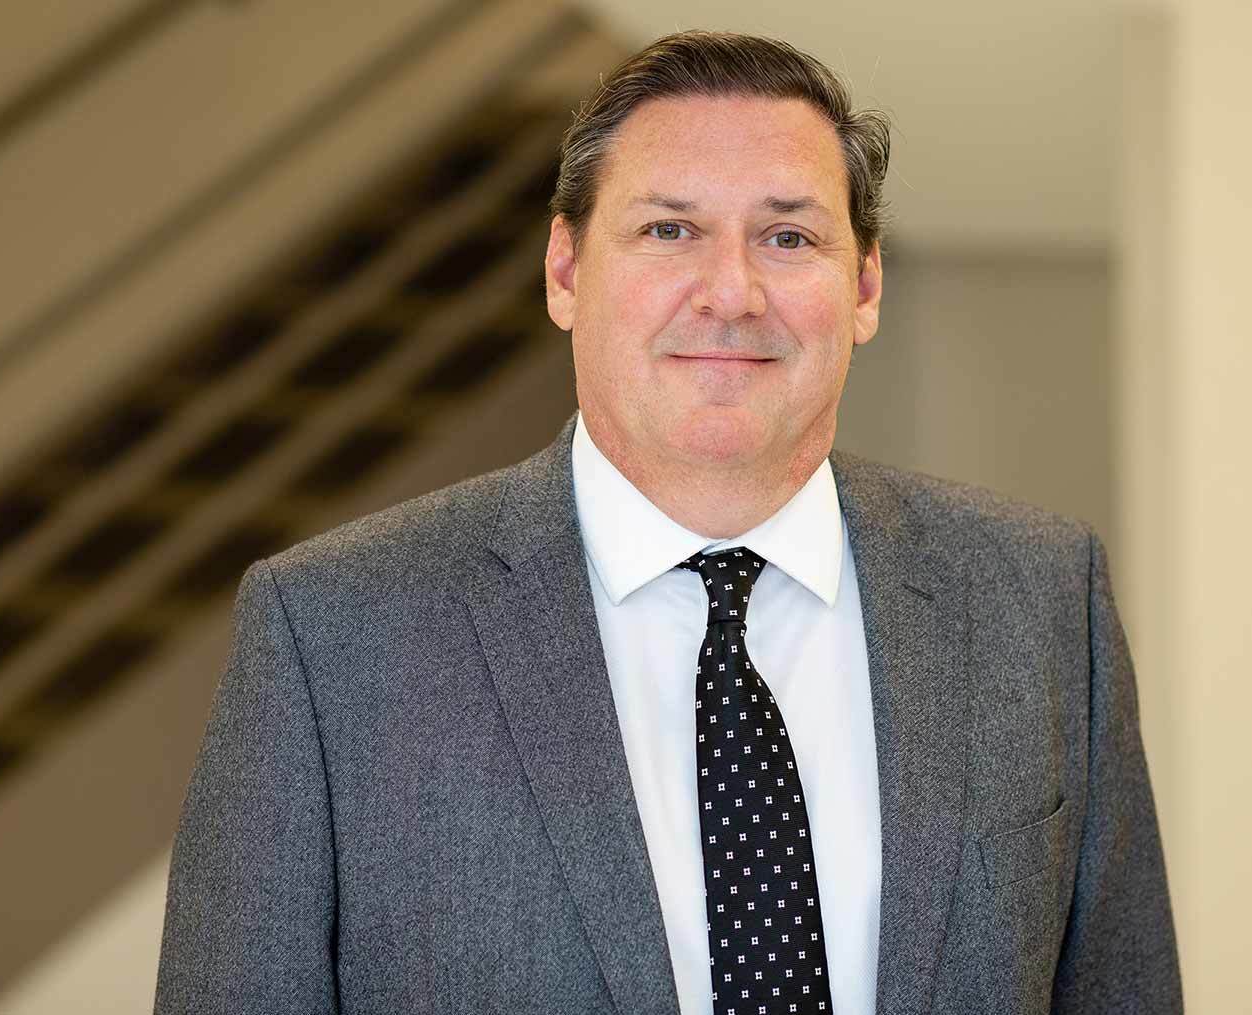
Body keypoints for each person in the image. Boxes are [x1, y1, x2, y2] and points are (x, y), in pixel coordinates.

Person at [153, 29, 1181, 1015]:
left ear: (863, 284)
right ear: (564, 271)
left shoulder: (1037, 598)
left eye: (787, 236)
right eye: (668, 230)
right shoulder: (332, 632)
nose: (730, 293)